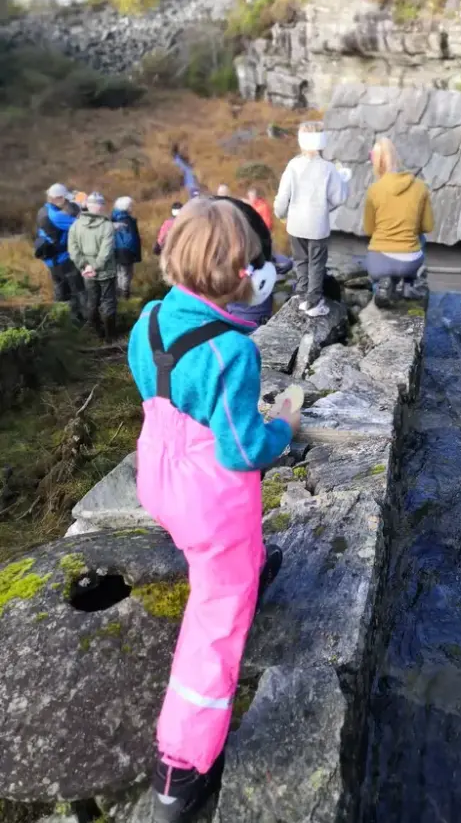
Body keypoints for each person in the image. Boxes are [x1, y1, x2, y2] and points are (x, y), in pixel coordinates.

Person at [127, 198, 299, 822]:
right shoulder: (232, 350)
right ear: (233, 273)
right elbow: (243, 447)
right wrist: (283, 426)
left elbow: (157, 393)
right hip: (210, 496)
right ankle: (181, 765)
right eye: (250, 265)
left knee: (229, 558)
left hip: (159, 476)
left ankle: (248, 563)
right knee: (215, 624)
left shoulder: (147, 320)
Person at [273, 121, 348, 318]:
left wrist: (281, 214)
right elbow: (339, 198)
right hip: (318, 226)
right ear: (322, 143)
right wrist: (327, 205)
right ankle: (313, 301)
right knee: (316, 262)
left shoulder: (293, 165)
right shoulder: (329, 168)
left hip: (295, 223)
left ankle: (301, 295)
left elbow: (282, 198)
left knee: (300, 260)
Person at [363, 137, 434, 309]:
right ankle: (409, 284)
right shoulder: (420, 187)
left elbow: (368, 230)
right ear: (396, 158)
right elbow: (428, 227)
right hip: (410, 262)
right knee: (420, 236)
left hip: (378, 263)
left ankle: (384, 283)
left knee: (377, 248)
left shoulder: (374, 190)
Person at [220, 196, 277, 329]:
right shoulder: (261, 248)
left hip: (234, 321)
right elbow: (286, 264)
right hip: (259, 321)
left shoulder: (223, 255)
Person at [68, 192, 117, 340]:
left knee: (92, 301)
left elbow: (73, 250)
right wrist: (94, 266)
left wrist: (84, 266)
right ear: (101, 207)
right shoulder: (107, 226)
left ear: (87, 205)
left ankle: (98, 332)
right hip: (105, 271)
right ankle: (110, 336)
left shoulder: (75, 225)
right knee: (108, 302)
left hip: (87, 273)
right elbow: (106, 251)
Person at [34, 183, 85, 324]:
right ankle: (79, 321)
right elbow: (81, 224)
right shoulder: (55, 216)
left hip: (51, 259)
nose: (67, 202)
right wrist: (81, 207)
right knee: (77, 289)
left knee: (60, 289)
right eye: (64, 199)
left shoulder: (43, 210)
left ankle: (60, 320)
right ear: (57, 199)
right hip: (63, 259)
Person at [112, 197, 142, 299]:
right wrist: (135, 253)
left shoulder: (113, 217)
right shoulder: (127, 220)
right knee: (126, 274)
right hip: (126, 251)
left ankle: (119, 294)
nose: (132, 208)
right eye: (130, 206)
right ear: (126, 207)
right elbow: (132, 239)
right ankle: (125, 295)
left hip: (115, 249)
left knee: (119, 273)